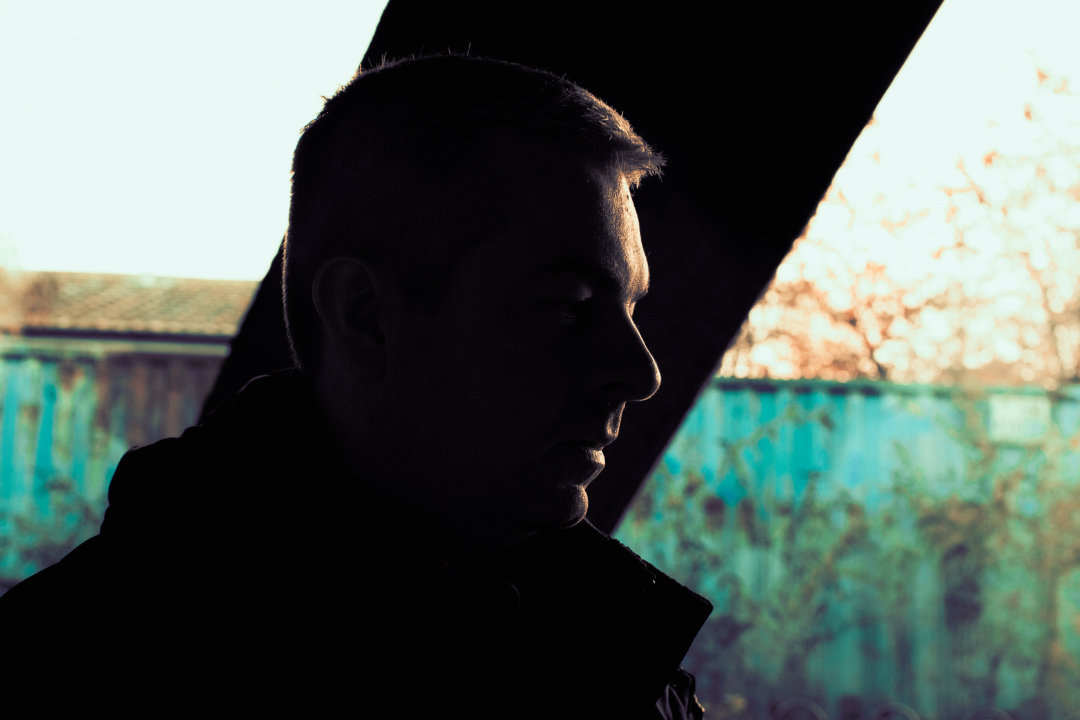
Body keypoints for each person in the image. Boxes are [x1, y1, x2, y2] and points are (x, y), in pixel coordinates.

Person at [0, 55, 711, 717]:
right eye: (566, 309)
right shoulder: (73, 663)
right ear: (365, 315)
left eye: (631, 307)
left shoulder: (619, 649)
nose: (641, 373)